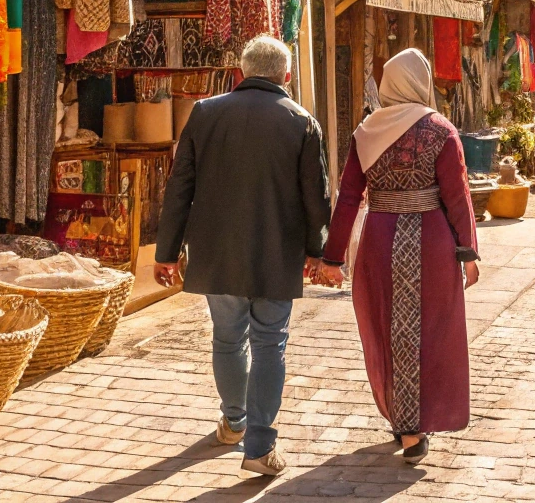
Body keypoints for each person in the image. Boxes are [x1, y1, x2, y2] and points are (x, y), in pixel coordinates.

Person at [154, 35, 331, 477]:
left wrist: (167, 252)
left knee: (227, 338)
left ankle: (233, 421)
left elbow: (180, 187)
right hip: (277, 252)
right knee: (270, 344)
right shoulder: (302, 121)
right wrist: (318, 252)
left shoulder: (206, 113)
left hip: (218, 252)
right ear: (285, 76)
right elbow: (317, 199)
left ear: (241, 71)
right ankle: (259, 445)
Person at [321, 48, 481, 465]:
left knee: (387, 328)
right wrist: (468, 252)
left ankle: (404, 421)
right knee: (429, 331)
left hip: (379, 238)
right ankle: (414, 430)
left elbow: (349, 198)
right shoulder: (439, 130)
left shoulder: (366, 132)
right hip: (431, 241)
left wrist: (333, 257)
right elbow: (457, 196)